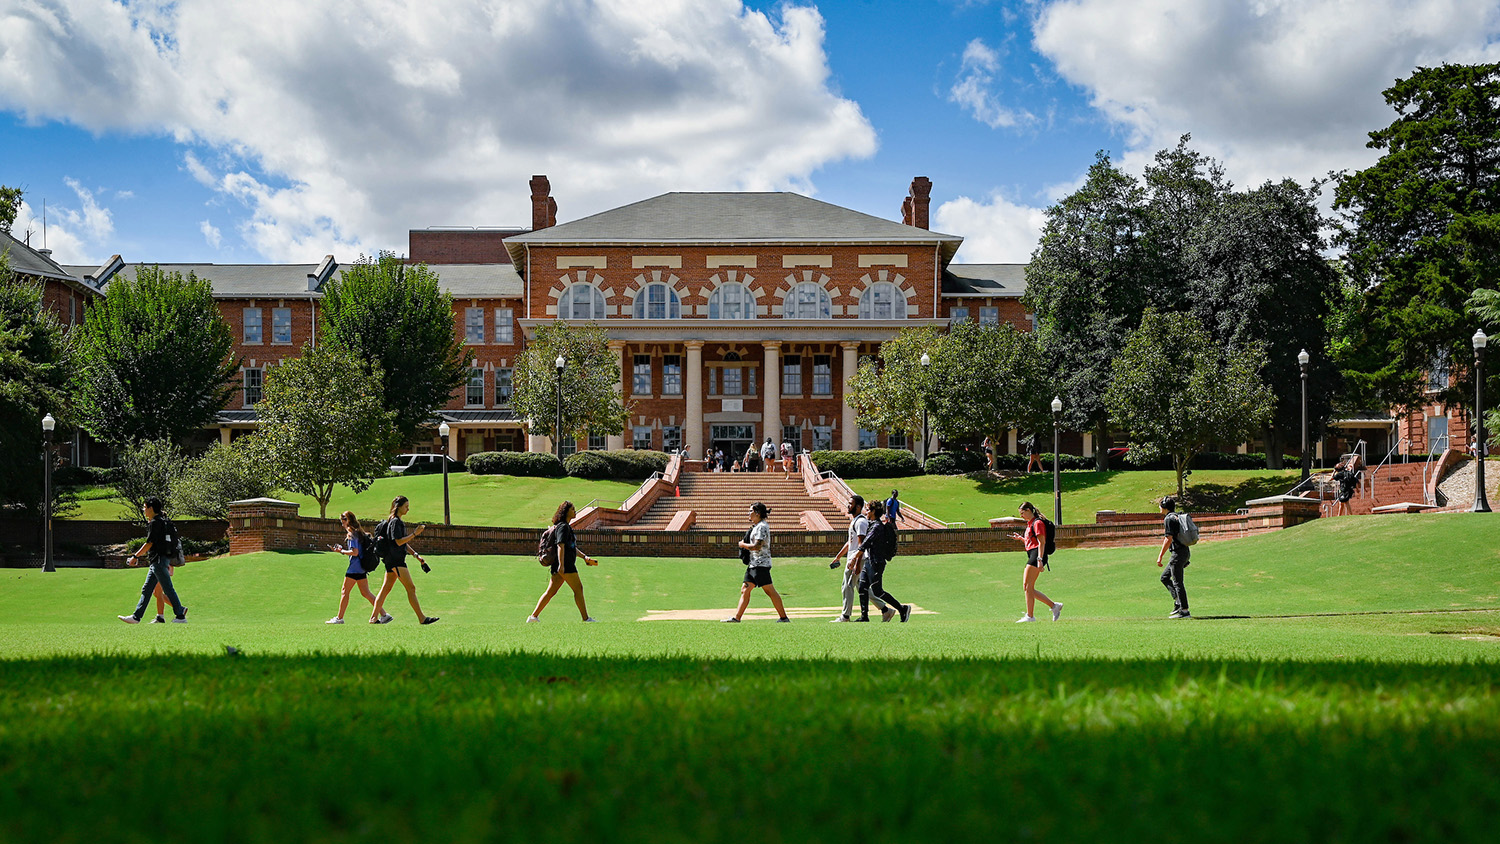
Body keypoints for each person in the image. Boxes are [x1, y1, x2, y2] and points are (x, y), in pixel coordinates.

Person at [117, 497, 188, 624]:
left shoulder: (155, 523)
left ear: (151, 508)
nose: (144, 510)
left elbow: (149, 543)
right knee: (147, 589)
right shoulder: (164, 521)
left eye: (145, 507)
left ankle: (180, 615)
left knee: (167, 588)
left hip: (158, 561)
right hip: (160, 560)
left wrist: (135, 556)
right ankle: (136, 617)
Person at [370, 496, 439, 625]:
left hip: (392, 560)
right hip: (396, 560)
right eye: (406, 506)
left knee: (385, 589)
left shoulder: (395, 521)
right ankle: (422, 618)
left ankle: (373, 619)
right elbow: (398, 541)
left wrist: (415, 555)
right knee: (411, 588)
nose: (408, 509)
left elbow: (402, 543)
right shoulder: (396, 522)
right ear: (399, 507)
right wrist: (414, 534)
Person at [528, 500, 600, 622]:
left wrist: (584, 557)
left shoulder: (565, 527)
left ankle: (533, 617)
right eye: (572, 509)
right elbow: (560, 545)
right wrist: (561, 566)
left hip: (561, 565)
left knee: (550, 592)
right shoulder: (563, 527)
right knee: (578, 589)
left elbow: (571, 547)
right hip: (566, 565)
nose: (575, 511)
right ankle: (586, 619)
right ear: (566, 512)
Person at [828, 495, 894, 622]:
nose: (848, 505)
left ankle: (845, 616)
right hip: (853, 558)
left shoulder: (861, 522)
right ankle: (886, 610)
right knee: (862, 588)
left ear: (858, 506)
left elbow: (861, 545)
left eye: (851, 503)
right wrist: (838, 557)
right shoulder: (855, 521)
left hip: (857, 559)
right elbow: (850, 542)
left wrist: (857, 564)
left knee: (847, 585)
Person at [724, 502, 790, 622]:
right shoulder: (757, 526)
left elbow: (757, 546)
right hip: (754, 564)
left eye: (751, 511)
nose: (748, 513)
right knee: (745, 589)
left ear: (757, 513)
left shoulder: (762, 527)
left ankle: (784, 617)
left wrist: (742, 545)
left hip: (761, 564)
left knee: (770, 591)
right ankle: (737, 618)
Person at [850, 500, 911, 622]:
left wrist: (854, 558)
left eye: (868, 510)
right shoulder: (871, 524)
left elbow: (865, 543)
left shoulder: (877, 527)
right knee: (862, 587)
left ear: (873, 511)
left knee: (878, 591)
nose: (866, 512)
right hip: (869, 561)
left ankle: (902, 608)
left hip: (877, 562)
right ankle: (864, 616)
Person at [1009, 502, 1061, 623]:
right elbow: (1031, 543)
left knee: (1027, 586)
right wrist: (1021, 539)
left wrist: (1039, 560)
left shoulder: (1037, 523)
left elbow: (1041, 543)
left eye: (1022, 513)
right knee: (1028, 587)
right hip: (1034, 553)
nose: (1021, 516)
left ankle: (1030, 616)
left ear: (1029, 510)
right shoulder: (1030, 524)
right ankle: (1054, 606)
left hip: (1037, 555)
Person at [326, 511, 378, 624]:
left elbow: (355, 552)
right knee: (366, 593)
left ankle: (339, 618)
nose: (341, 524)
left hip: (354, 568)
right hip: (362, 567)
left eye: (342, 521)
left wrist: (341, 551)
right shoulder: (358, 532)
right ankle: (384, 614)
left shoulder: (351, 534)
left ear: (347, 521)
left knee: (345, 591)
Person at [1155, 496, 1190, 619]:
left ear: (1164, 507)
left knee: (1177, 582)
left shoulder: (1168, 519)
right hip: (1184, 551)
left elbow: (1168, 539)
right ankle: (1178, 602)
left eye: (1160, 506)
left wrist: (1160, 556)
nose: (1159, 508)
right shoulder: (1177, 516)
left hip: (1178, 553)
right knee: (1164, 577)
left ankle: (1184, 611)